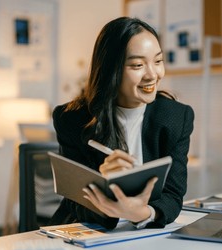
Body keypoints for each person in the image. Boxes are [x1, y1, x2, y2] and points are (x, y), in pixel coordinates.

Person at [49, 17, 194, 230]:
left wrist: (142, 213)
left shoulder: (176, 117)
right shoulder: (72, 118)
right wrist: (106, 189)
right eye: (137, 65)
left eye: (158, 61)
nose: (152, 74)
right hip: (88, 231)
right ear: (111, 70)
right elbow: (76, 202)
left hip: (144, 233)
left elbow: (173, 196)